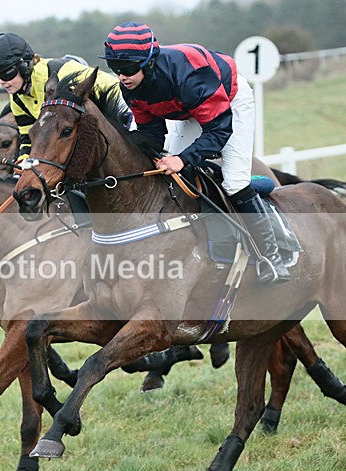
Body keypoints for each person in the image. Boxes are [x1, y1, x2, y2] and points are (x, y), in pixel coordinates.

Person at [102, 22, 289, 285]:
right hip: (187, 109)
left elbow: (219, 129)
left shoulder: (190, 74)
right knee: (175, 179)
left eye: (129, 69)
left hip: (228, 102)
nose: (122, 76)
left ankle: (271, 256)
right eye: (115, 68)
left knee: (234, 182)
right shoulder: (131, 85)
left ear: (149, 61)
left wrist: (182, 158)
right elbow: (152, 133)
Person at [0, 32, 130, 165]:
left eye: (6, 74)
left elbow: (111, 96)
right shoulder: (16, 99)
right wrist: (24, 159)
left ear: (25, 66)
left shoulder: (64, 72)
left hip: (125, 105)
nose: (1, 81)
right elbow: (26, 135)